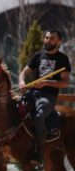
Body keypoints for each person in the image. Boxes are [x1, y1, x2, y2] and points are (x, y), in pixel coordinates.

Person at [19, 30, 71, 163]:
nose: (48, 40)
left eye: (52, 38)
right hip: (32, 93)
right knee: (13, 108)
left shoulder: (62, 59)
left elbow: (65, 83)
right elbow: (23, 73)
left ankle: (39, 151)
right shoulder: (38, 56)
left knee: (38, 115)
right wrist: (22, 82)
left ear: (59, 41)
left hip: (48, 96)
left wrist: (46, 82)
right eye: (46, 38)